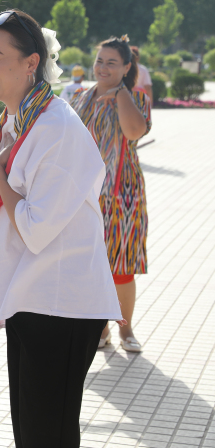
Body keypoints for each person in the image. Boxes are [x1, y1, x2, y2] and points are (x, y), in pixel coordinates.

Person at [0, 9, 122, 447]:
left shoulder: (56, 127)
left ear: (31, 62)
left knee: (47, 434)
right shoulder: (20, 118)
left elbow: (35, 228)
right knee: (32, 432)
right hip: (32, 298)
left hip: (61, 303)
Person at [70, 35, 151, 354]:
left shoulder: (136, 98)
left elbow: (133, 132)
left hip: (122, 194)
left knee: (121, 264)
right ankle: (98, 325)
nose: (103, 67)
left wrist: (119, 97)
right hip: (82, 193)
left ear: (127, 67)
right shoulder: (80, 97)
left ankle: (125, 327)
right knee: (87, 262)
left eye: (112, 62)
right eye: (99, 61)